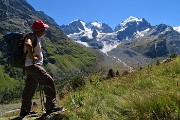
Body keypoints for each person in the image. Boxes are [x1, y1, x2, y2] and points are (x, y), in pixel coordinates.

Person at [20, 20, 63, 118]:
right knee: (48, 81)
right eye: (43, 28)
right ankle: (51, 106)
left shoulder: (35, 37)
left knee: (30, 87)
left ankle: (25, 110)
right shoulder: (31, 36)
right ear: (39, 29)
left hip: (29, 66)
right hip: (33, 65)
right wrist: (32, 57)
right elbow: (28, 44)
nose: (45, 30)